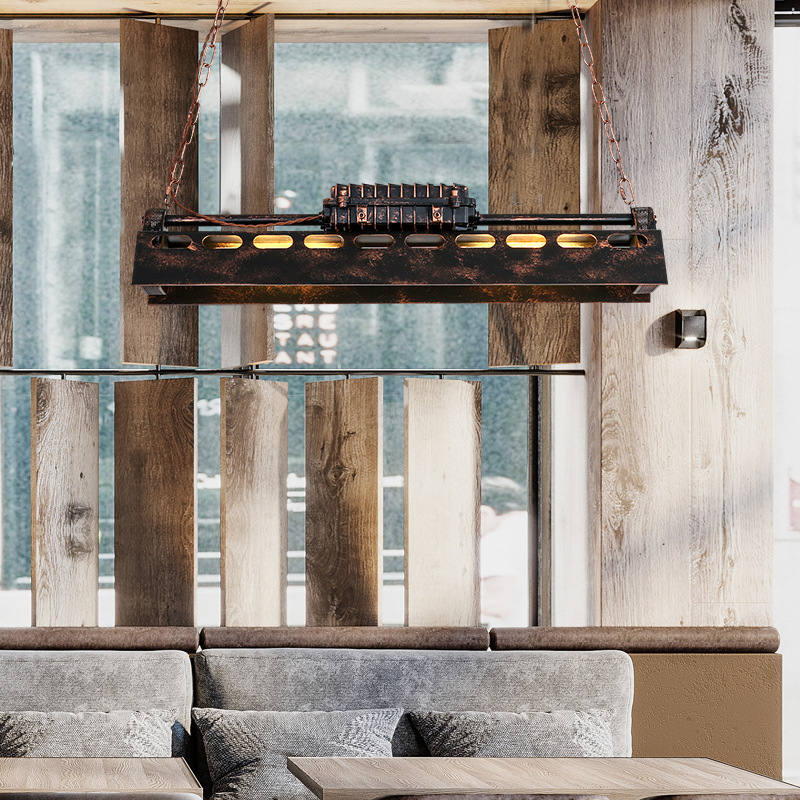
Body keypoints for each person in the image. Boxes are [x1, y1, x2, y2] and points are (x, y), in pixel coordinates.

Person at [480, 476, 530, 627]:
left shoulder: (495, 540)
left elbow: (499, 605)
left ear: (484, 513)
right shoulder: (539, 530)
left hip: (514, 636)